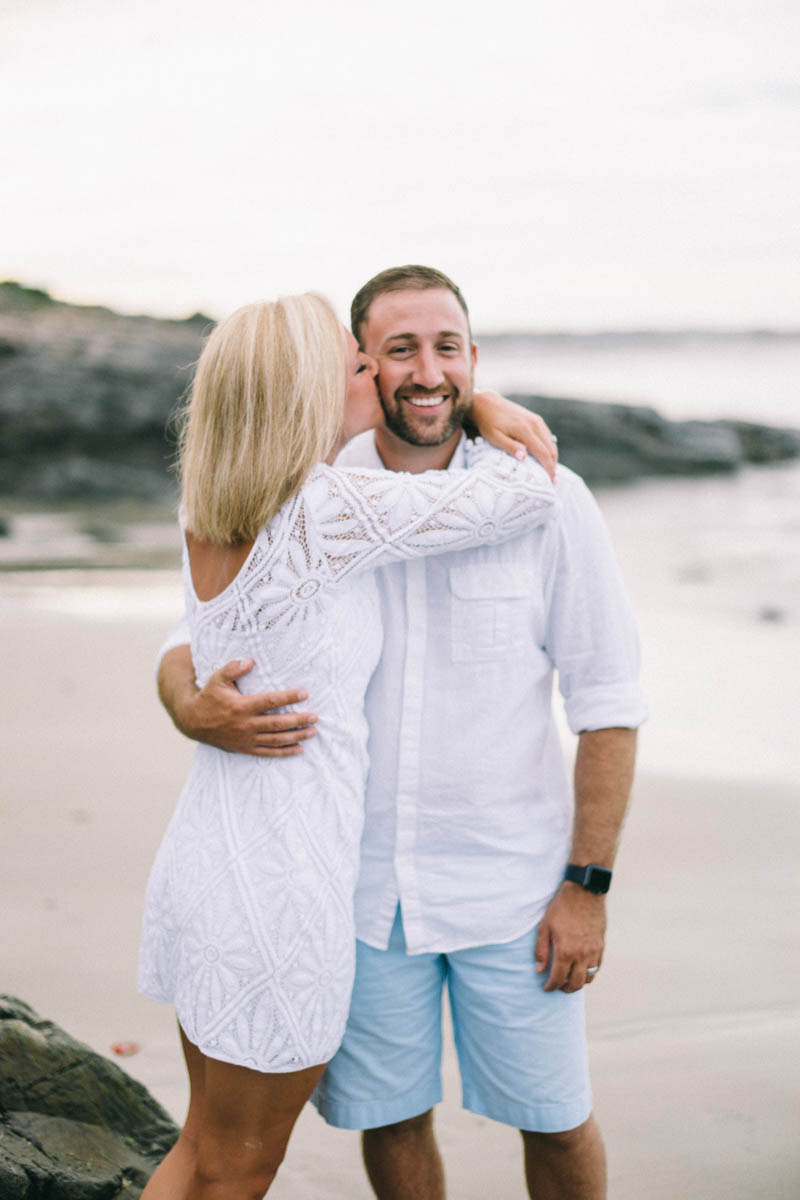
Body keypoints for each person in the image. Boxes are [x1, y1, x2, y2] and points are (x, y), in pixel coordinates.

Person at [157, 267, 647, 1200]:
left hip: (512, 889)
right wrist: (189, 703)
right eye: (397, 352)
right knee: (390, 1121)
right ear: (360, 370)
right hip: (353, 894)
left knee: (554, 1119)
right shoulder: (311, 489)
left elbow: (608, 703)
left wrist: (587, 885)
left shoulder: (551, 495)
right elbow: (191, 635)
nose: (427, 372)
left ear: (474, 357)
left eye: (450, 349)